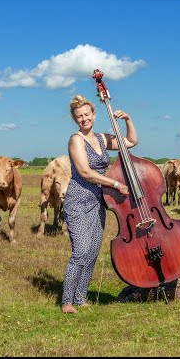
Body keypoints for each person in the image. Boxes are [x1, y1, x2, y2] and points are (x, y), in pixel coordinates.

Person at [61, 94, 136, 314]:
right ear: (75, 120)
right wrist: (114, 183)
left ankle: (81, 297)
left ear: (94, 115)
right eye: (79, 116)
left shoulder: (103, 138)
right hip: (78, 200)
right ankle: (67, 301)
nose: (84, 119)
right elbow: (85, 172)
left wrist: (128, 120)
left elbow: (130, 142)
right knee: (81, 250)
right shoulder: (76, 140)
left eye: (87, 114)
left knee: (93, 251)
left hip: (99, 200)